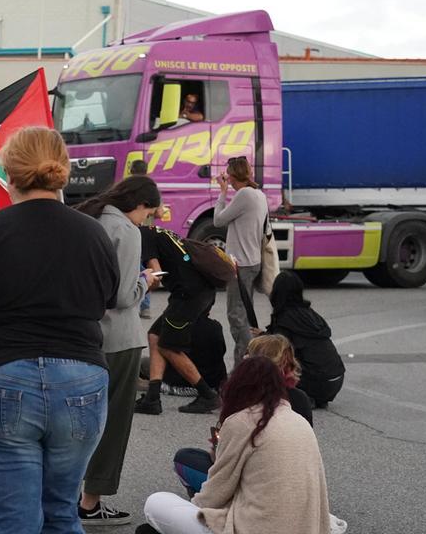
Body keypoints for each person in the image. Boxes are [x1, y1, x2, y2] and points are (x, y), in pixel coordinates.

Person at [0, 126, 119, 532]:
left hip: (0, 374)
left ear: (8, 174)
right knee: (62, 512)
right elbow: (105, 303)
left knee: (11, 520)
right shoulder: (94, 233)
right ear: (62, 170)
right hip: (81, 378)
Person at [138, 356, 331, 534]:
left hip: (256, 527)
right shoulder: (299, 421)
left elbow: (216, 492)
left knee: (156, 503)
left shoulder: (244, 421)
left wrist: (190, 511)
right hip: (306, 527)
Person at [74, 176, 163, 526]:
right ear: (139, 205)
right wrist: (146, 281)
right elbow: (123, 296)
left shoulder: (88, 218)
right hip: (119, 339)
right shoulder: (126, 231)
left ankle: (67, 495)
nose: (146, 220)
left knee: (78, 422)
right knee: (111, 425)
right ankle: (91, 502)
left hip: (83, 336)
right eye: (148, 213)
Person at [135, 226, 223, 415]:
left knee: (169, 346)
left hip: (188, 295)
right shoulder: (157, 231)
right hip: (199, 291)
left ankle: (208, 395)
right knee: (155, 335)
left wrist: (136, 293)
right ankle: (152, 398)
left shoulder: (143, 235)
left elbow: (156, 274)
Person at [213, 156, 268, 362]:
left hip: (240, 263)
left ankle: (249, 360)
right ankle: (245, 365)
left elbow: (218, 220)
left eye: (228, 174)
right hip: (252, 260)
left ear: (233, 176)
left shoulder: (244, 194)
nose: (226, 178)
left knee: (236, 316)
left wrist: (223, 192)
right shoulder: (258, 194)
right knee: (245, 314)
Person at [262, 272, 346, 408]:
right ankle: (316, 396)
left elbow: (277, 350)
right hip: (336, 378)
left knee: (271, 361)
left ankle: (303, 396)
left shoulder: (284, 319)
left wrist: (262, 340)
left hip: (316, 382)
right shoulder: (310, 314)